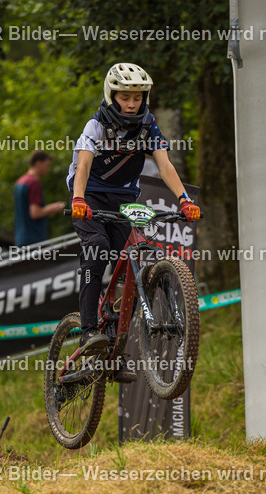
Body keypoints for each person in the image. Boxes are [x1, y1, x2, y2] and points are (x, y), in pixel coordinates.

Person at [66, 63, 200, 362]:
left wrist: (184, 199)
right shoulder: (97, 124)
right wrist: (77, 198)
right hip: (89, 195)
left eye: (137, 98)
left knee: (134, 258)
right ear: (112, 95)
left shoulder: (148, 125)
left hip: (125, 197)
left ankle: (115, 340)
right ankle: (89, 329)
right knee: (98, 248)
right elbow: (84, 164)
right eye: (125, 97)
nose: (131, 104)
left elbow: (165, 165)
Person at [14, 151, 65, 246]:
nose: (48, 169)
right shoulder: (34, 183)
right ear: (38, 163)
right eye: (47, 165)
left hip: (21, 239)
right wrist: (53, 208)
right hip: (33, 239)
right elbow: (35, 213)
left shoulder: (20, 182)